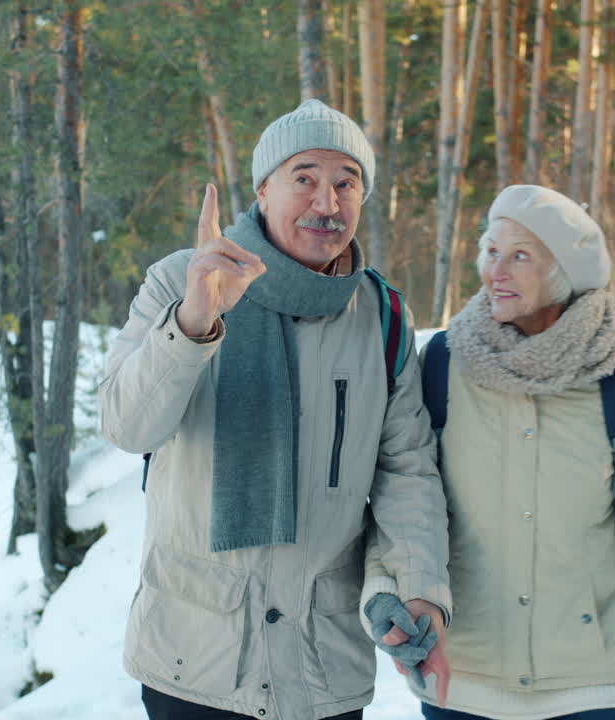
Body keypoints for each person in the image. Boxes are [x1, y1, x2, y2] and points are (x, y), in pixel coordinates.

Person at [98, 99, 452, 720]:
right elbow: (127, 426)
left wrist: (417, 590)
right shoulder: (182, 281)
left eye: (346, 182)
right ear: (264, 190)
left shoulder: (383, 315)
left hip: (320, 670)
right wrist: (193, 323)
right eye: (304, 178)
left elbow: (407, 472)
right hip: (193, 663)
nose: (327, 202)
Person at [362, 185, 615, 720]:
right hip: (464, 680)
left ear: (564, 273)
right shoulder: (443, 364)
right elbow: (406, 494)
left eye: (520, 256)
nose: (495, 270)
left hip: (592, 686)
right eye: (491, 251)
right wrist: (385, 590)